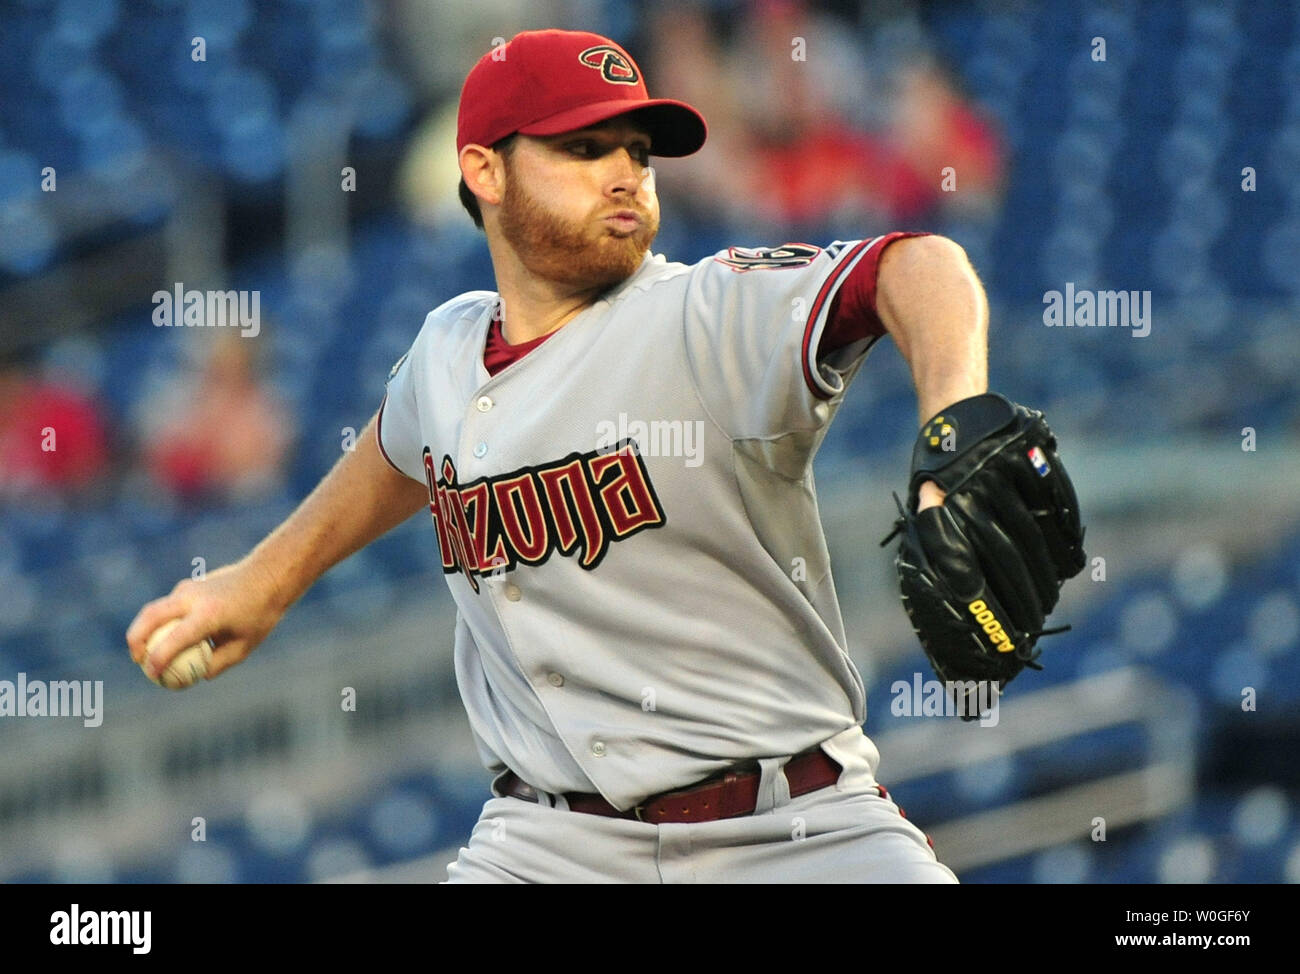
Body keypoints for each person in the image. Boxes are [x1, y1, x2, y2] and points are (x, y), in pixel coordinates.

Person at [128, 29, 1013, 883]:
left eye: (638, 150)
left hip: (793, 828)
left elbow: (920, 267)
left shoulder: (706, 312)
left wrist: (954, 432)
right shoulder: (446, 349)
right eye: (585, 148)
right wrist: (263, 581)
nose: (625, 172)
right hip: (547, 845)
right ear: (483, 169)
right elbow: (402, 454)